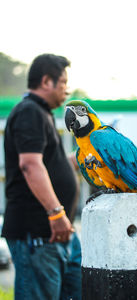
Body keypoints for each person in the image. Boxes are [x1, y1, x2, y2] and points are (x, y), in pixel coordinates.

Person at [2, 54, 82, 300]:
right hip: (38, 233)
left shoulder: (43, 113)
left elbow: (50, 164)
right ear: (47, 81)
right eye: (63, 83)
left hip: (57, 233)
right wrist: (56, 213)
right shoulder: (30, 112)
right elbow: (30, 165)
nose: (66, 90)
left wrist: (87, 154)